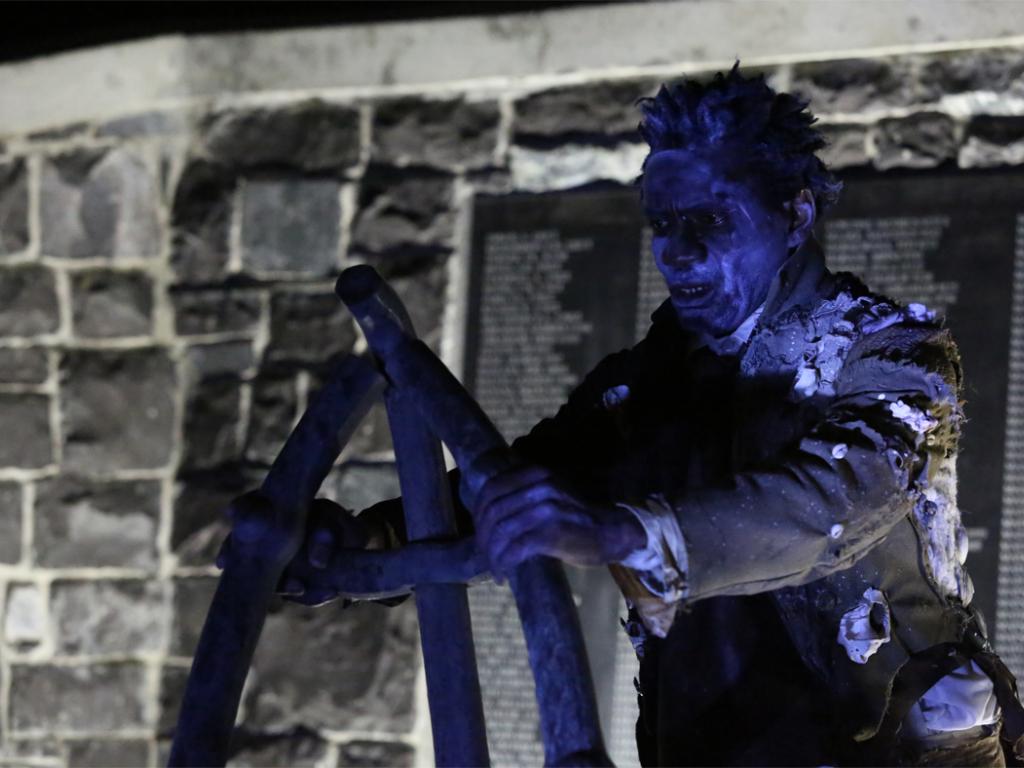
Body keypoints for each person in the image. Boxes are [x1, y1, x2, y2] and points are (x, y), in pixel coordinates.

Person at [221, 63, 1024, 766]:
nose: (675, 249)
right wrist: (369, 540)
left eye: (710, 219)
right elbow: (517, 490)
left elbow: (836, 497)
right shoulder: (644, 387)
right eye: (663, 223)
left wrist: (624, 534)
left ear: (796, 212)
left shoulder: (893, 351)